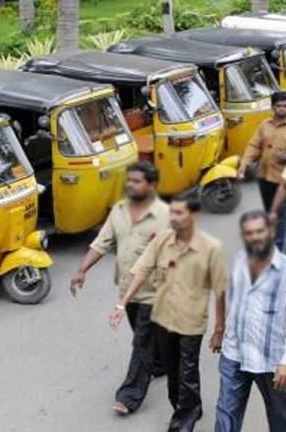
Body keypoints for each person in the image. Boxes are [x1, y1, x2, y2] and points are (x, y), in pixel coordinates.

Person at [110, 193, 228, 432]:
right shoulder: (162, 240)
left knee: (187, 372)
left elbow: (220, 291)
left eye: (179, 213)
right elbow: (141, 271)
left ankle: (182, 422)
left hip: (191, 322)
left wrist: (219, 329)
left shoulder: (210, 248)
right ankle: (190, 407)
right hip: (162, 319)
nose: (173, 217)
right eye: (172, 212)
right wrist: (122, 304)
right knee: (173, 374)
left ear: (194, 215)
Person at [70, 161, 169, 415]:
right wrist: (82, 269)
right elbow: (101, 243)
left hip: (153, 291)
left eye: (137, 181)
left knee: (141, 341)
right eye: (129, 180)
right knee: (143, 335)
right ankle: (161, 363)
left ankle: (129, 395)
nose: (130, 185)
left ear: (151, 185)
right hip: (127, 289)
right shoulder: (119, 211)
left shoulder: (165, 216)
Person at [214, 210, 286, 432]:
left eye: (259, 231)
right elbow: (225, 293)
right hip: (234, 352)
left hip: (272, 360)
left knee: (280, 418)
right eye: (249, 233)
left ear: (271, 231)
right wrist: (220, 329)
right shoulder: (239, 262)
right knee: (226, 412)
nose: (254, 237)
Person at [238, 91, 286, 248]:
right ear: (272, 107)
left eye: (285, 106)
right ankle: (268, 243)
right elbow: (254, 146)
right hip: (264, 177)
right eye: (279, 106)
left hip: (282, 182)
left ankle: (276, 248)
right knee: (267, 212)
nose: (282, 109)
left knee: (278, 215)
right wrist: (244, 164)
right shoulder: (264, 125)